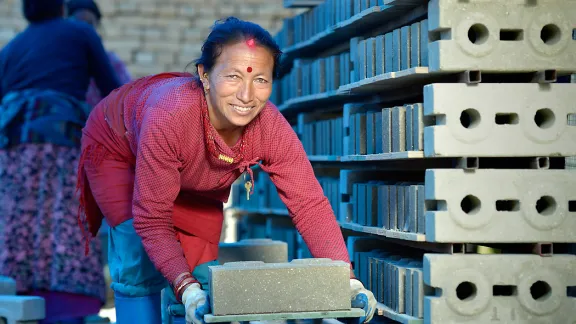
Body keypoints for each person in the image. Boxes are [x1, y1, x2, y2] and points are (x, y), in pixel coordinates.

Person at [77, 16, 377, 324]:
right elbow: (152, 219)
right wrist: (185, 287)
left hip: (189, 172)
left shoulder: (270, 127)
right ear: (204, 75)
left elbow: (309, 204)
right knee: (138, 257)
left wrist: (347, 280)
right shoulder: (170, 116)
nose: (246, 96)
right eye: (233, 76)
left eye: (260, 80)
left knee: (201, 269)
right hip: (118, 145)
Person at [0, 0, 121, 323]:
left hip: (12, 149)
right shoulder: (79, 33)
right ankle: (68, 308)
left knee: (19, 226)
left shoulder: (11, 48)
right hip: (60, 143)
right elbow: (113, 90)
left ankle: (15, 303)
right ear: (61, 6)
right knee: (65, 221)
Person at [66, 0, 132, 108]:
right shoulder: (61, 63)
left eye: (89, 25)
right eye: (78, 25)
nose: (84, 32)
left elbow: (127, 99)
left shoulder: (111, 61)